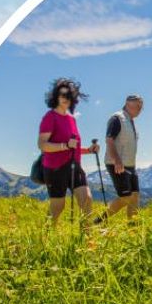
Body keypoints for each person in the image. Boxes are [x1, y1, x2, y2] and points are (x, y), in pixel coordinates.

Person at [37, 78, 99, 228]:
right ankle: (46, 235)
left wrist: (89, 150)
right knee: (58, 207)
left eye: (69, 95)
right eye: (62, 94)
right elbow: (42, 145)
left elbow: (73, 147)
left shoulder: (72, 119)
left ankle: (87, 236)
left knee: (87, 199)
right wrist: (64, 145)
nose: (65, 98)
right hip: (55, 168)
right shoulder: (50, 117)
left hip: (74, 166)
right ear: (55, 96)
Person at [99, 93, 144, 221]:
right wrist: (117, 160)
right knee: (126, 197)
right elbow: (109, 140)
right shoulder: (117, 118)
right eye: (138, 106)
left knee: (135, 196)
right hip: (117, 164)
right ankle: (99, 221)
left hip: (130, 165)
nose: (140, 109)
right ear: (128, 104)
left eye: (141, 107)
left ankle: (133, 226)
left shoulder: (130, 121)